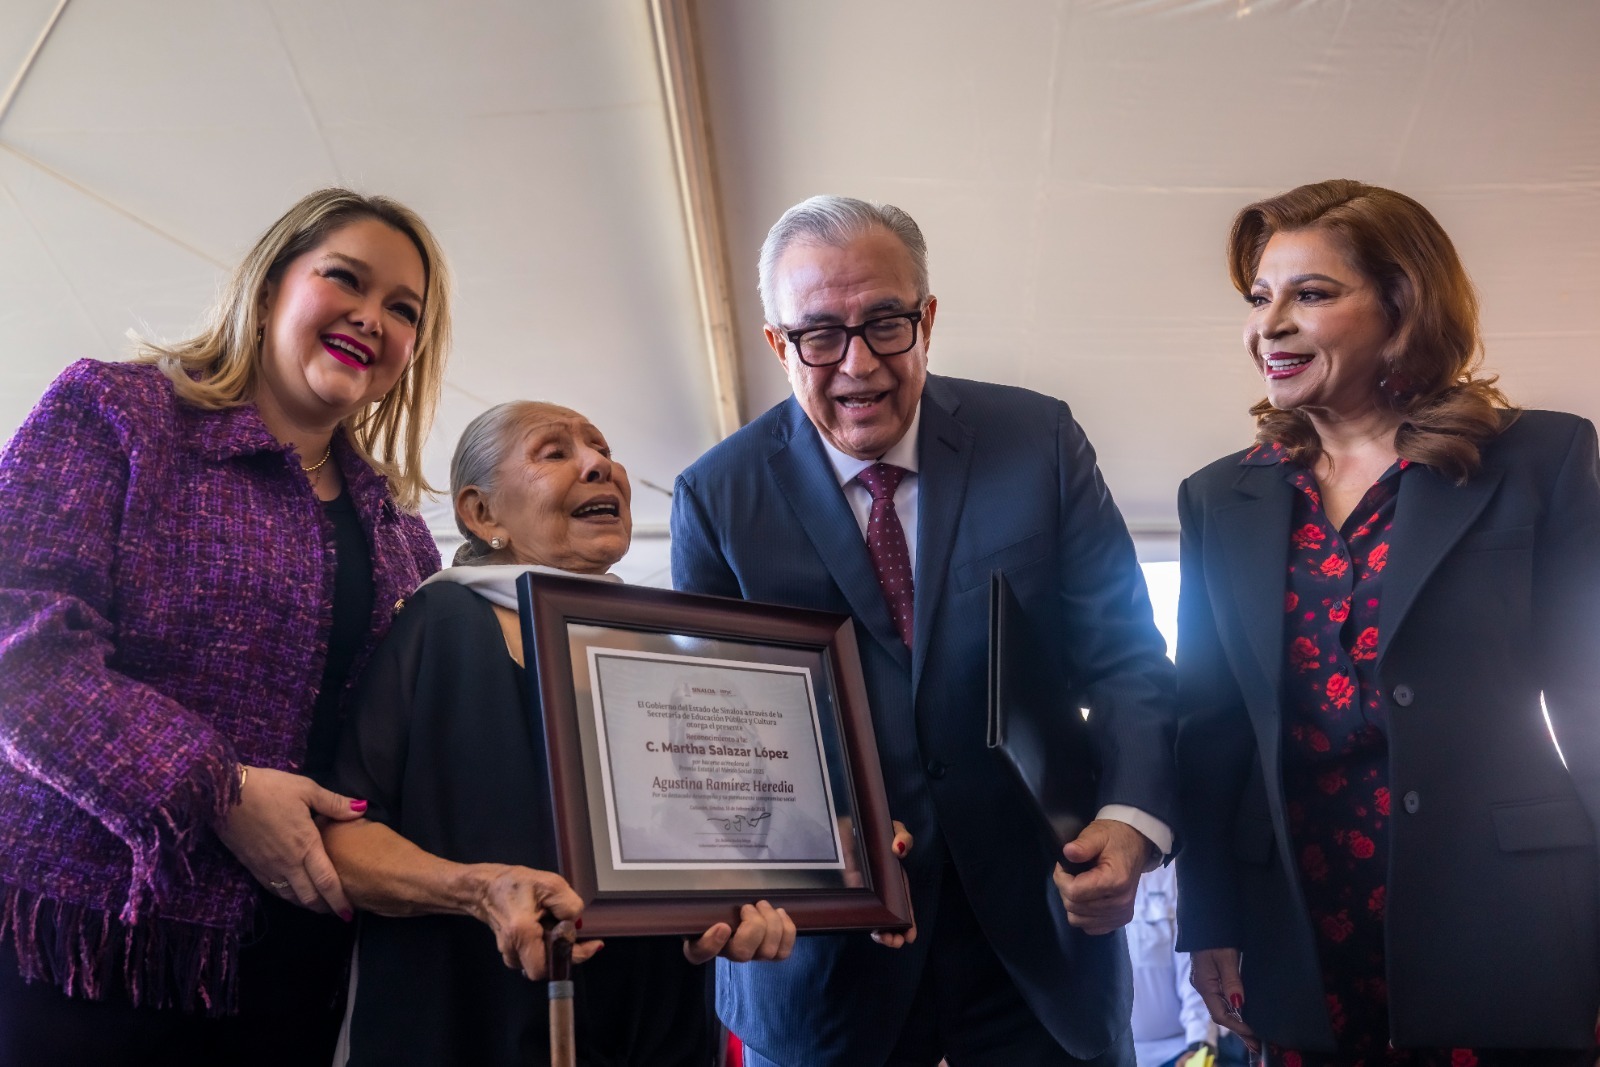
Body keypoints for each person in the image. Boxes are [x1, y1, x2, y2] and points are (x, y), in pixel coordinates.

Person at [671, 195, 1178, 1066]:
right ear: (775, 344)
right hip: (830, 967)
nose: (857, 364)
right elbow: (719, 735)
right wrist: (823, 846)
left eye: (886, 323)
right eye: (820, 335)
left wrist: (1131, 822)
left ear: (929, 317)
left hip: (1039, 944)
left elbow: (1128, 660)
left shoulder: (1039, 440)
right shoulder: (716, 496)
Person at [0, 188, 452, 1064]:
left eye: (404, 311)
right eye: (346, 280)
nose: (373, 318)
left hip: (297, 968)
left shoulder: (403, 535)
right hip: (99, 946)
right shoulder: (119, 415)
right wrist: (219, 786)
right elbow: (21, 645)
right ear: (271, 282)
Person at [1173, 179, 1600, 1065]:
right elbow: (1209, 728)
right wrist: (1207, 918)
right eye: (1259, 298)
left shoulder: (1538, 460)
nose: (1270, 323)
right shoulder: (1221, 496)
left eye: (1312, 294)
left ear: (1403, 305)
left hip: (1506, 911)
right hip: (1298, 912)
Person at [322, 400, 801, 1067]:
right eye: (554, 451)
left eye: (601, 447)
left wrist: (728, 907)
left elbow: (705, 842)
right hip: (474, 1024)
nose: (599, 463)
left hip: (655, 1029)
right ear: (482, 513)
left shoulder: (664, 653)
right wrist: (477, 889)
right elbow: (341, 836)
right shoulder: (441, 624)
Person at [1128, 865, 1216, 1067]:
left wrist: (1199, 1045)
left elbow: (1194, 969)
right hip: (1107, 1052)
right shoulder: (1073, 874)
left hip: (1177, 1050)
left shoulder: (1178, 874)